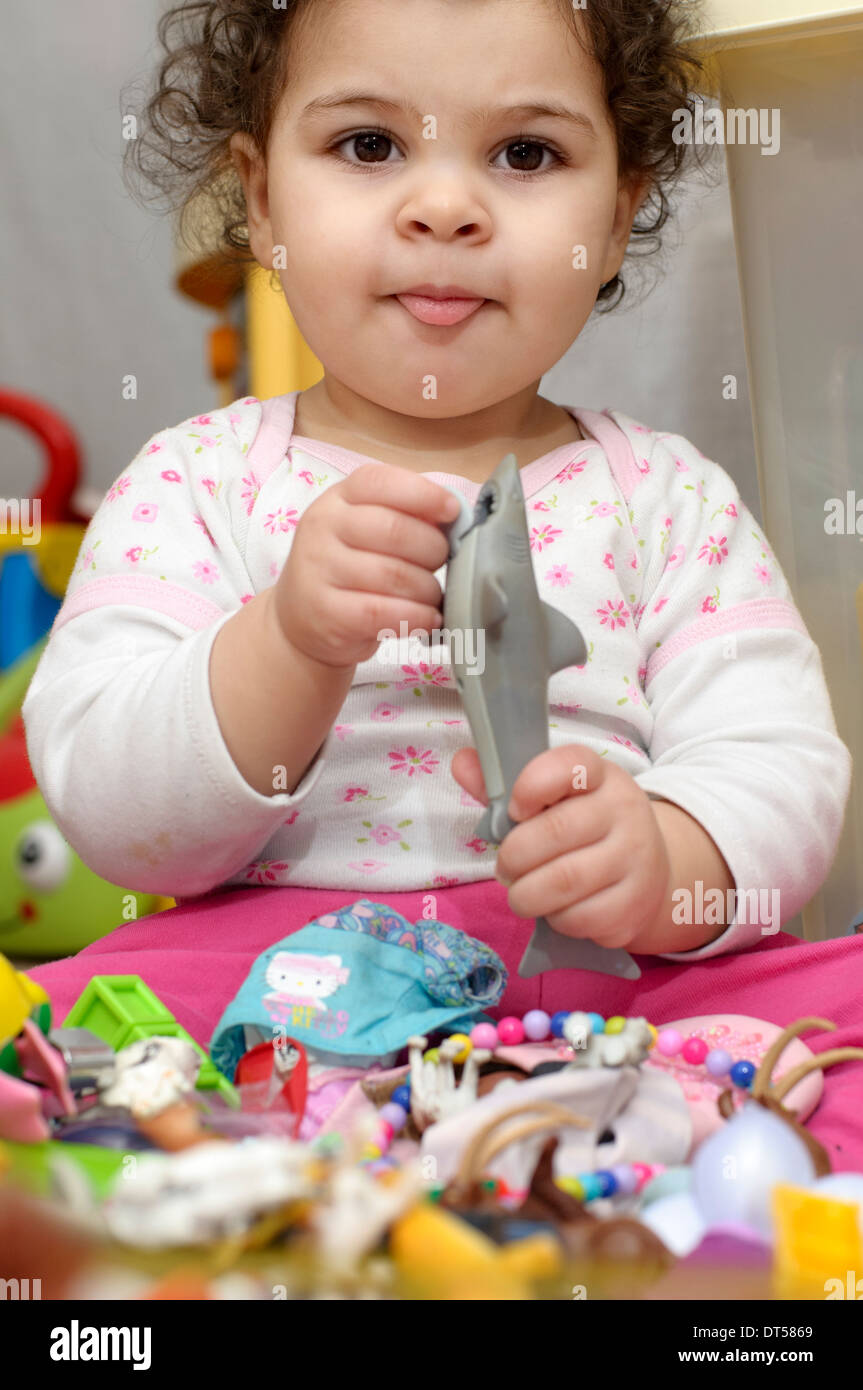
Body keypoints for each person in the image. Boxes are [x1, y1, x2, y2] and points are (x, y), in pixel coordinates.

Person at [23, 0, 862, 1170]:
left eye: (525, 154)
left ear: (615, 218)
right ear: (260, 202)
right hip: (272, 978)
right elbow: (119, 813)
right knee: (48, 1045)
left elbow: (783, 768)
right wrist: (288, 644)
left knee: (838, 1014)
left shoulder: (664, 494)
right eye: (368, 146)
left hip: (596, 983)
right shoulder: (197, 482)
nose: (444, 205)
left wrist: (663, 864)